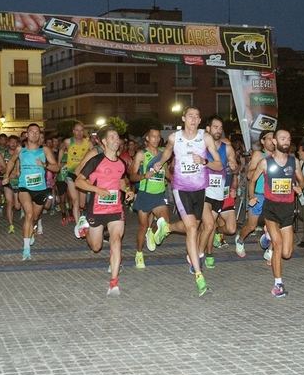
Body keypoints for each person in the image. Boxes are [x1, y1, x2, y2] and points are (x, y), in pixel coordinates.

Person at [152, 106, 222, 296]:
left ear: (200, 121)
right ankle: (198, 274)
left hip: (200, 190)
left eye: (196, 117)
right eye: (189, 116)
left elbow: (218, 164)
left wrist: (204, 162)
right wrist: (161, 162)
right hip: (181, 188)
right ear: (183, 118)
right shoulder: (175, 138)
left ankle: (166, 228)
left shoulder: (205, 138)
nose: (193, 119)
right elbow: (167, 153)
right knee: (192, 228)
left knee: (193, 226)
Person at [76, 126, 135, 296]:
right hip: (96, 209)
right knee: (96, 247)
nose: (116, 140)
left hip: (116, 209)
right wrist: (97, 190)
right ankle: (84, 227)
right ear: (104, 142)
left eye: (117, 137)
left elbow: (121, 181)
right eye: (112, 137)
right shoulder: (96, 161)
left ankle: (114, 283)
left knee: (116, 240)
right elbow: (79, 181)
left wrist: (127, 190)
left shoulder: (122, 163)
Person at [247, 129, 304, 298]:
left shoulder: (294, 162)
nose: (286, 141)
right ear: (274, 142)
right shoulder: (265, 163)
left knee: (287, 253)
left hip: (287, 209)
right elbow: (252, 180)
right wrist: (252, 197)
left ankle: (266, 238)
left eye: (288, 138)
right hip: (271, 209)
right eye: (282, 138)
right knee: (278, 245)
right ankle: (278, 284)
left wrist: (300, 187)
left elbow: (301, 180)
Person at [3, 123, 59, 260]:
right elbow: (11, 162)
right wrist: (6, 176)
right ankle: (26, 249)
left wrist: (45, 165)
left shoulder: (44, 150)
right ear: (26, 134)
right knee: (28, 214)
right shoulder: (20, 150)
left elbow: (56, 167)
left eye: (37, 132)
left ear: (39, 135)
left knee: (34, 217)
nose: (34, 134)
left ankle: (32, 231)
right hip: (24, 187)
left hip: (40, 188)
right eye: (31, 131)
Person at [198, 116, 237, 269]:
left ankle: (206, 252)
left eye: (220, 128)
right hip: (203, 192)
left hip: (220, 193)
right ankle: (201, 255)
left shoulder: (227, 148)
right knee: (208, 226)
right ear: (208, 129)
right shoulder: (201, 147)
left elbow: (235, 167)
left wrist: (234, 166)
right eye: (215, 127)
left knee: (211, 227)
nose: (218, 130)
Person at [130, 127, 171, 269]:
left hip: (159, 195)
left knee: (165, 225)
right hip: (145, 194)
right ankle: (139, 254)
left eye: (158, 137)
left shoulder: (163, 155)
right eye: (153, 136)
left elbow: (168, 174)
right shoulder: (141, 154)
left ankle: (152, 232)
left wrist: (180, 181)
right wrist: (143, 176)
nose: (156, 139)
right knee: (142, 226)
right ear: (147, 138)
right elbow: (132, 176)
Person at [234, 131, 276, 258]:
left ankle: (270, 250)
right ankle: (240, 240)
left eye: (274, 138)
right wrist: (261, 166)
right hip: (259, 194)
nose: (273, 141)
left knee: (275, 224)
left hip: (274, 195)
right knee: (251, 226)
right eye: (269, 138)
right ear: (263, 141)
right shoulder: (259, 154)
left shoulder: (280, 155)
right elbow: (249, 175)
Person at [60, 122, 92, 237]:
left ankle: (82, 219)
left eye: (81, 130)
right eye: (77, 130)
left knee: (83, 203)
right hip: (71, 174)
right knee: (75, 201)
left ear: (83, 131)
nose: (79, 133)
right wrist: (59, 164)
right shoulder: (68, 142)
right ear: (73, 131)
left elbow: (94, 155)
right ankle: (79, 225)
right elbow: (61, 150)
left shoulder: (88, 143)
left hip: (82, 175)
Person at [3, 135, 21, 233]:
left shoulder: (21, 154)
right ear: (8, 143)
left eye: (15, 142)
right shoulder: (3, 154)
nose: (13, 144)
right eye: (11, 142)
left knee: (17, 206)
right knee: (9, 203)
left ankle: (22, 206)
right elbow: (0, 167)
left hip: (18, 182)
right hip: (8, 182)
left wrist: (18, 173)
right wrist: (6, 174)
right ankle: (11, 225)